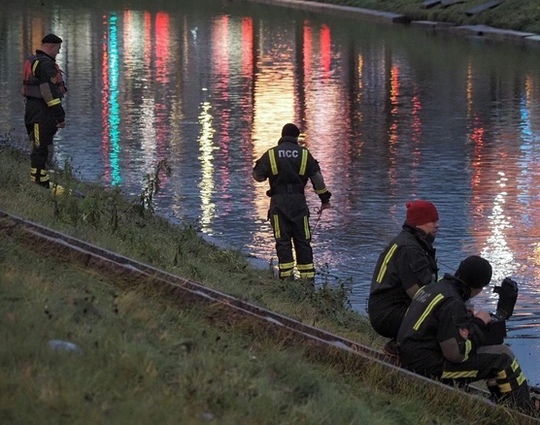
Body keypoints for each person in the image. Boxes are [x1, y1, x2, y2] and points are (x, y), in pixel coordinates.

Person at [397, 255, 534, 413]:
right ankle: (524, 413)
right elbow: (456, 354)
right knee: (503, 359)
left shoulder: (435, 288)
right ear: (479, 288)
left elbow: (437, 328)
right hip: (425, 367)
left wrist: (467, 323)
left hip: (410, 353)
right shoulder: (453, 303)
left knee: (498, 354)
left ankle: (506, 404)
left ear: (459, 273)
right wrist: (479, 324)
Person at [252, 123, 331, 281]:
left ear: (282, 136)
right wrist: (324, 199)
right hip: (298, 203)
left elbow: (257, 176)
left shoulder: (272, 154)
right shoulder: (304, 154)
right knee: (303, 241)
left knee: (282, 241)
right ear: (297, 137)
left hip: (278, 202)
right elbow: (318, 180)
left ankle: (286, 281)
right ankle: (307, 282)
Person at [368, 200, 439, 355]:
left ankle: (401, 348)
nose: (437, 225)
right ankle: (403, 351)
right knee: (437, 319)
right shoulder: (409, 248)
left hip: (385, 309)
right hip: (389, 314)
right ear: (419, 223)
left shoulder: (408, 242)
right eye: (432, 221)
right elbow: (419, 293)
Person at [22, 33, 67, 188]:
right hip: (40, 112)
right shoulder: (45, 65)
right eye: (58, 49)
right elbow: (49, 92)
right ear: (51, 46)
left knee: (43, 145)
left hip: (38, 111)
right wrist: (60, 116)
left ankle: (43, 180)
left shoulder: (37, 62)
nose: (59, 52)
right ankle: (38, 183)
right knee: (39, 147)